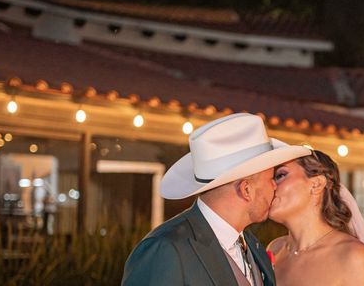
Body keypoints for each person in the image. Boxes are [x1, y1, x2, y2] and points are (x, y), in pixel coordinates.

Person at [122, 113, 311, 286]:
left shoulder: (255, 248)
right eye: (271, 178)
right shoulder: (165, 249)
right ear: (246, 189)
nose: (275, 186)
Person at [267, 150, 364, 286]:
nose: (271, 185)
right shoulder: (274, 249)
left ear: (316, 184)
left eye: (280, 175)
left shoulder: (353, 257)